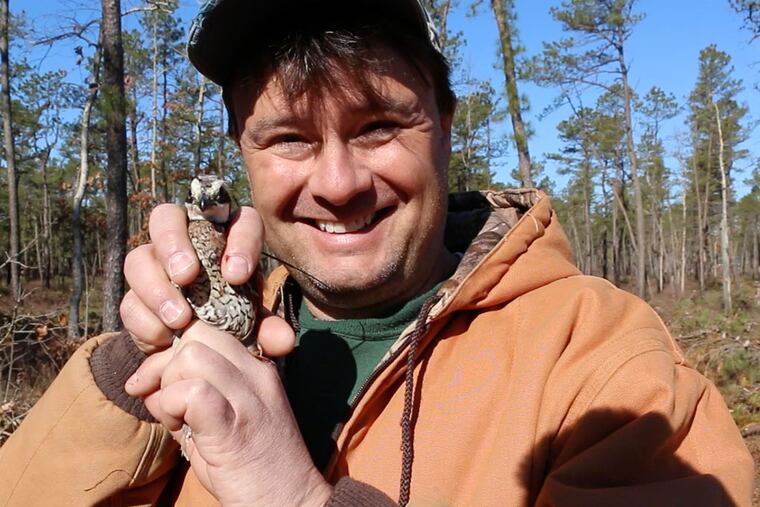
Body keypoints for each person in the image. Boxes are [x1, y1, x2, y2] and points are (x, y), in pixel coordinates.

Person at [0, 0, 754, 505]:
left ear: (446, 126)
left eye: (378, 127)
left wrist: (295, 496)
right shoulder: (219, 332)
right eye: (290, 138)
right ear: (243, 154)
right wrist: (131, 369)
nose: (337, 183)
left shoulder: (600, 362)